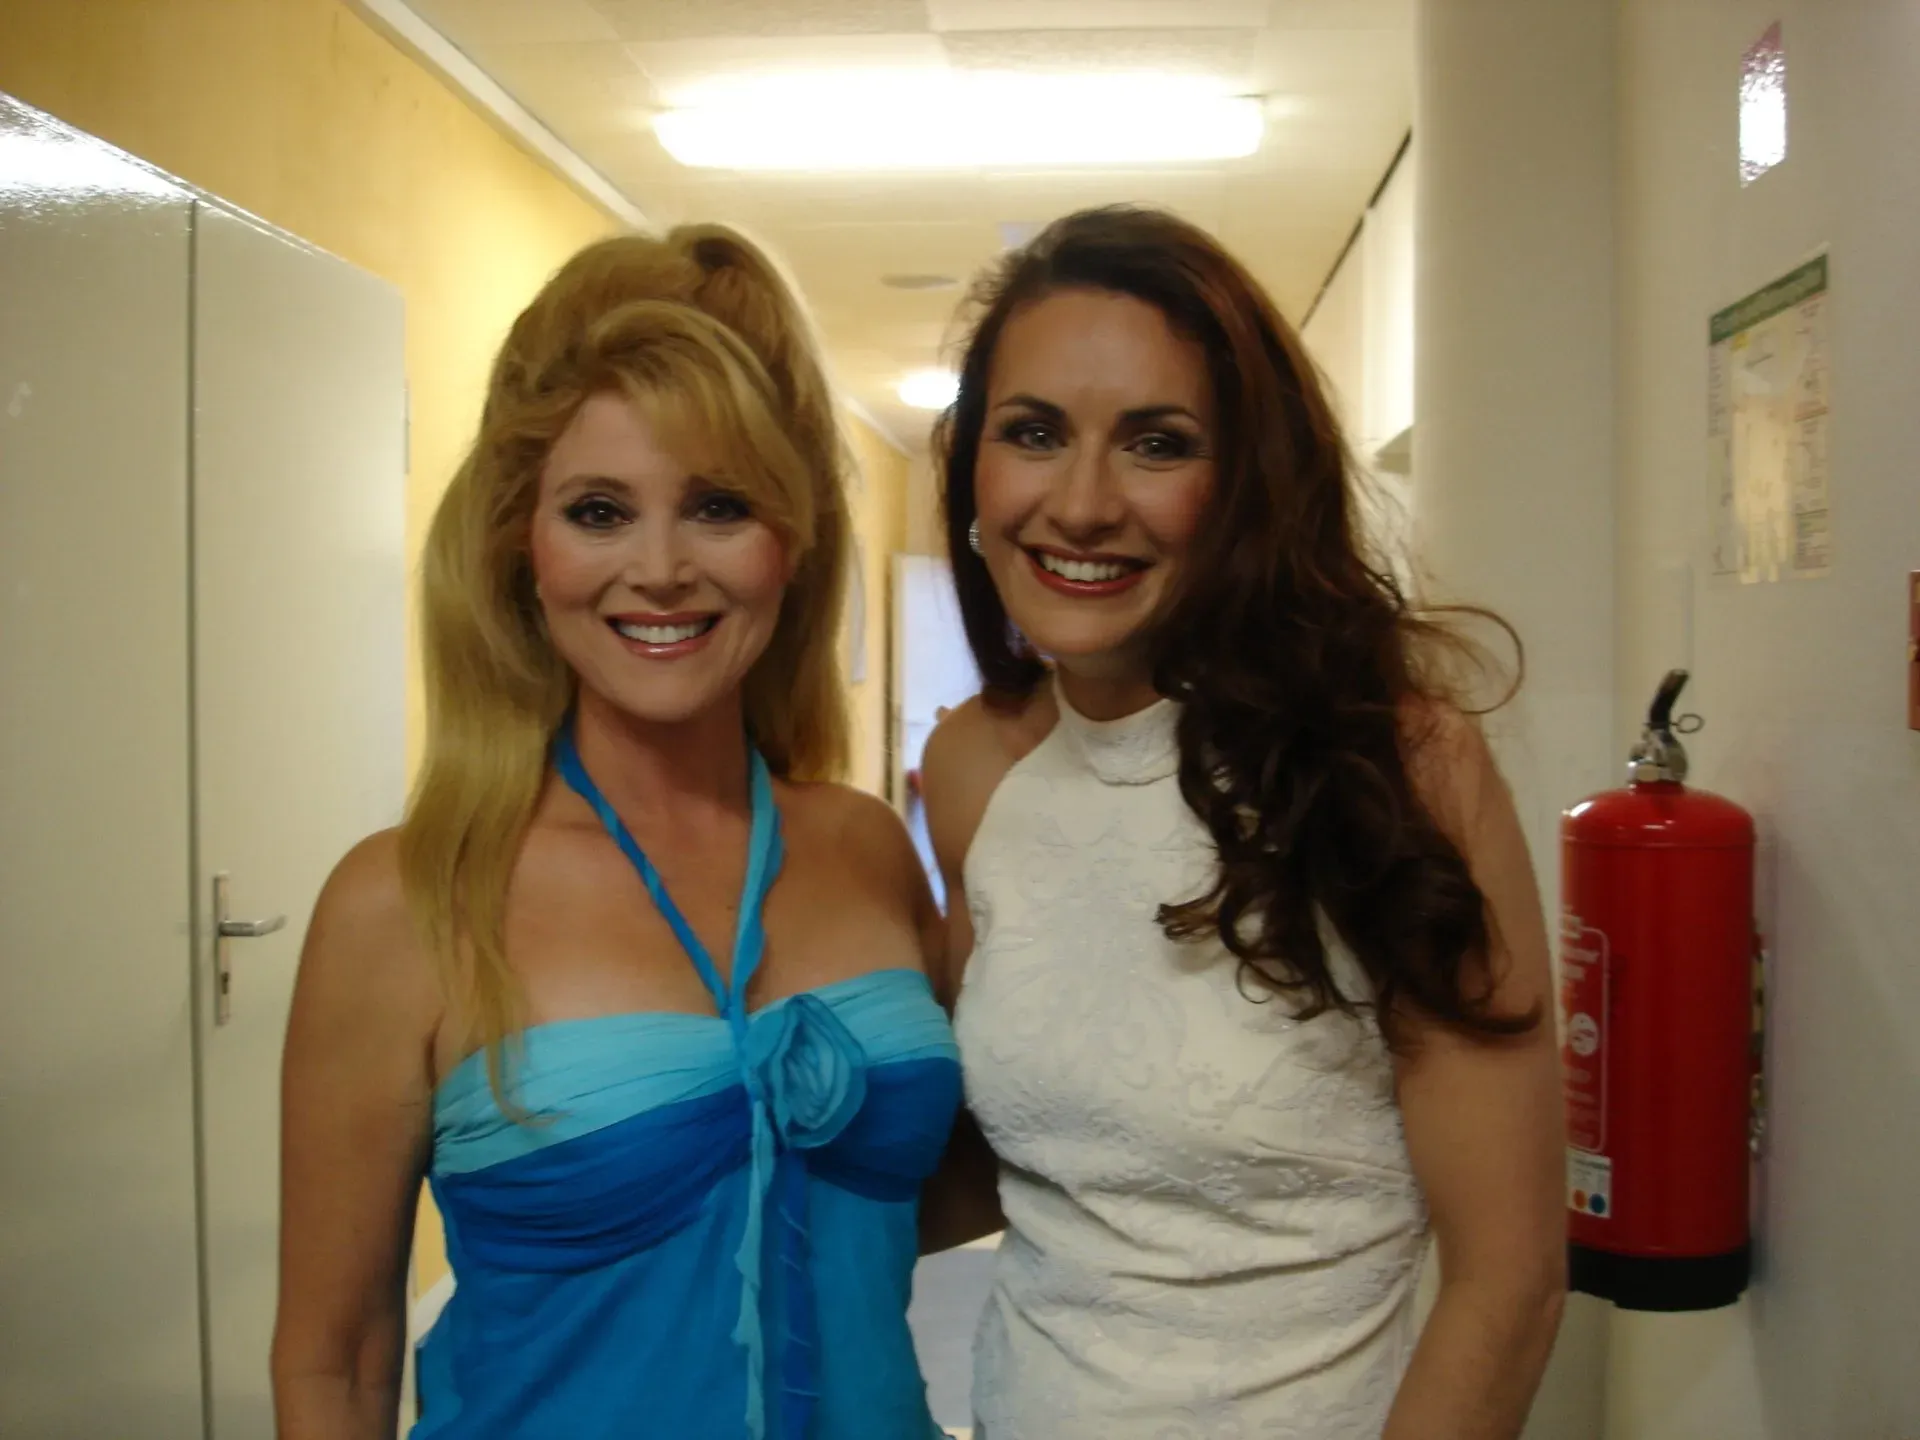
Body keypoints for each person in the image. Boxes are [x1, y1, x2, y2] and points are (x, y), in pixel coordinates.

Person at [271, 227, 961, 1440]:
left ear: (791, 543)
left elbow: (973, 1185)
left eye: (719, 507)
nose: (660, 569)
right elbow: (338, 1359)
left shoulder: (866, 850)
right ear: (521, 546)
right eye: (598, 511)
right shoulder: (412, 901)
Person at [919, 207, 1566, 1439]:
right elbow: (1020, 1152)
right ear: (973, 475)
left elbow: (1512, 1279)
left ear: (1248, 490)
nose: (1083, 504)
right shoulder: (973, 770)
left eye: (1157, 444)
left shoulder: (1395, 765)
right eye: (1034, 433)